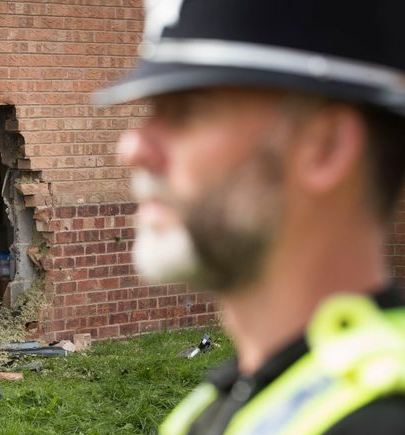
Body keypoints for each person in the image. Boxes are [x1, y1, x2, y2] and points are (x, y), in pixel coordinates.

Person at [95, 0, 405, 434]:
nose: (132, 147)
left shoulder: (382, 419)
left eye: (188, 110)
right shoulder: (215, 406)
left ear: (326, 146)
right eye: (152, 111)